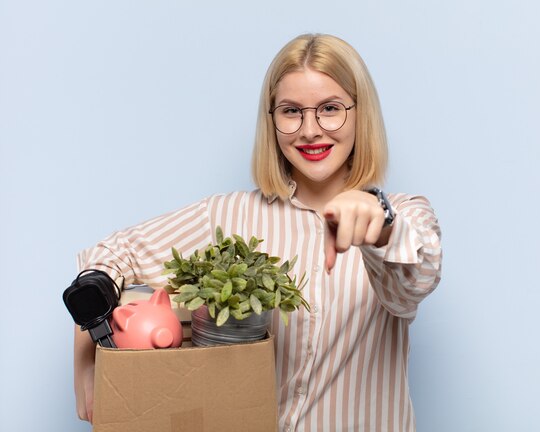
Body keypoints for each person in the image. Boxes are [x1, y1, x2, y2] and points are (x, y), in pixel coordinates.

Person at [73, 33, 442, 431]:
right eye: (290, 111)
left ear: (360, 113)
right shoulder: (229, 216)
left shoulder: (404, 213)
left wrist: (379, 225)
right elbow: (108, 257)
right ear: (272, 121)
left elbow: (413, 284)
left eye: (331, 109)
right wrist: (87, 360)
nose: (311, 130)